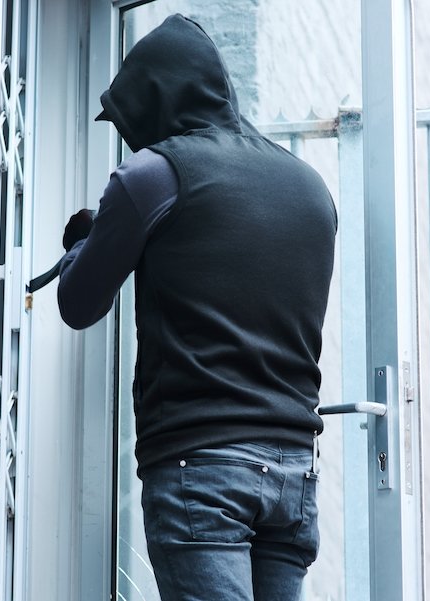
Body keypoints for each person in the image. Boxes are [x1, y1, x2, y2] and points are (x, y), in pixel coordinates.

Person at [56, 14, 337, 601]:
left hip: (202, 470)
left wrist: (86, 241)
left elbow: (78, 303)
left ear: (156, 101)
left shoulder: (153, 176)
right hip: (294, 475)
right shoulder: (310, 188)